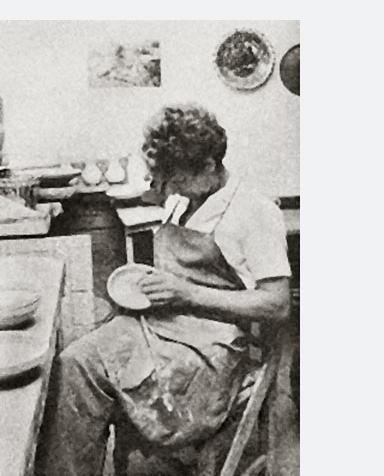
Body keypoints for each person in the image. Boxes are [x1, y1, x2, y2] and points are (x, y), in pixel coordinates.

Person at [38, 104, 292, 476]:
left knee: (99, 375)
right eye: (165, 179)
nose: (171, 189)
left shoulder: (254, 212)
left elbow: (277, 303)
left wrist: (185, 293)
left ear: (209, 166)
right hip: (162, 325)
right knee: (74, 363)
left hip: (213, 345)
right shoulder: (186, 198)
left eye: (178, 179)